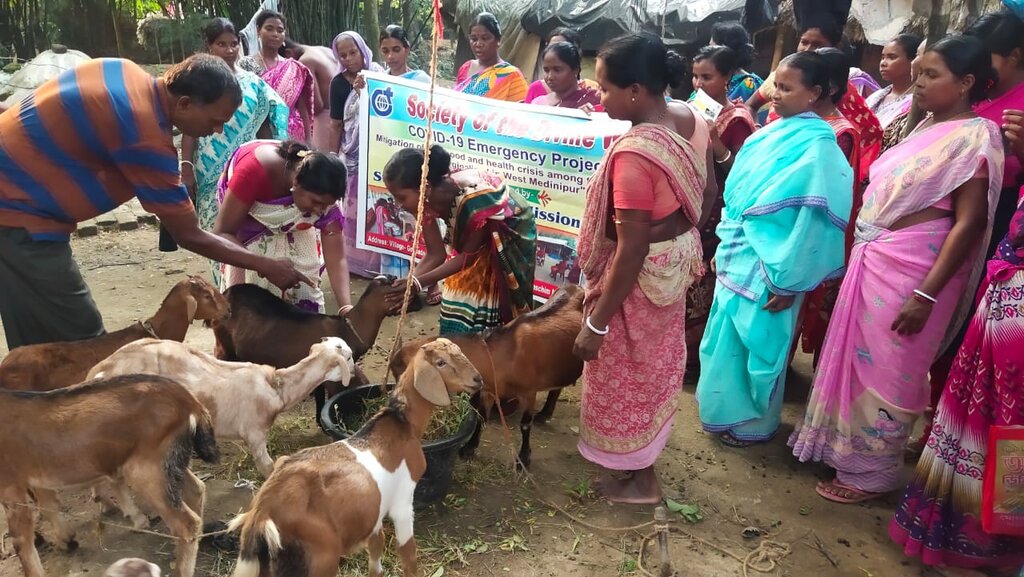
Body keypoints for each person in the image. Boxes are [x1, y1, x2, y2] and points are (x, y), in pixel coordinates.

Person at [789, 36, 1004, 503]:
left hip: (917, 267)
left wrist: (926, 294)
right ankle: (844, 451)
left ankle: (873, 472)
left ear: (966, 82)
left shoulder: (975, 137)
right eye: (920, 73)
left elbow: (969, 223)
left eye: (932, 75)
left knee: (893, 368)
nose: (920, 84)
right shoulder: (923, 125)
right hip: (878, 254)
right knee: (858, 359)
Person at [0, 55, 307, 350]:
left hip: (18, 200)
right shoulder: (143, 133)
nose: (218, 130)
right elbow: (189, 234)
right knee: (87, 341)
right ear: (184, 103)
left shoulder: (123, 70)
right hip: (19, 215)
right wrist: (265, 264)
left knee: (31, 334)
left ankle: (29, 397)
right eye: (215, 121)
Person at [570, 32, 707, 504]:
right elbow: (701, 202)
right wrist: (664, 229)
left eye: (605, 87)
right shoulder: (682, 125)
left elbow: (628, 250)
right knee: (651, 367)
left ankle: (641, 479)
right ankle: (638, 472)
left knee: (626, 371)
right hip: (667, 272)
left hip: (639, 280)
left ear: (635, 90)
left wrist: (596, 323)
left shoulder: (633, 154)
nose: (599, 96)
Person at [888, 111, 1024, 573]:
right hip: (1004, 305)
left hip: (1013, 313)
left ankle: (998, 540)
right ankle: (977, 536)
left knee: (1009, 429)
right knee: (985, 424)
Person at [696, 51, 854, 447]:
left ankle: (751, 423)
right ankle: (721, 412)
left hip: (775, 265)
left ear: (814, 92)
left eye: (787, 88)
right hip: (738, 251)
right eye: (775, 85)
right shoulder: (769, 132)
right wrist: (727, 242)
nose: (776, 95)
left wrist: (789, 280)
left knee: (760, 344)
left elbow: (813, 224)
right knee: (724, 338)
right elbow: (738, 199)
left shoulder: (822, 147)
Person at [914, 9, 1024, 456]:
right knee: (948, 336)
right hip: (939, 224)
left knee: (962, 333)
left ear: (1014, 56)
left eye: (989, 59)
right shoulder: (981, 95)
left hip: (992, 227)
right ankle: (939, 428)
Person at [180, 17, 289, 286]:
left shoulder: (254, 83)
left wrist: (275, 163)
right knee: (215, 231)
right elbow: (189, 128)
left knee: (243, 229)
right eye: (221, 44)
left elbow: (268, 122)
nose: (229, 50)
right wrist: (186, 168)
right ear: (209, 46)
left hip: (244, 168)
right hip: (207, 169)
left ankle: (245, 291)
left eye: (234, 43)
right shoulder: (200, 83)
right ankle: (224, 289)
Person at [382, 145, 536, 334]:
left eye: (400, 197)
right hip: (474, 242)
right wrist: (408, 283)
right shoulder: (424, 202)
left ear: (425, 188)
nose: (398, 205)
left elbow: (467, 258)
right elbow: (435, 254)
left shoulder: (472, 203)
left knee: (490, 305)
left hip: (511, 228)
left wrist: (417, 283)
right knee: (456, 298)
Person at [214, 140, 351, 313]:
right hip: (246, 223)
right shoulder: (252, 172)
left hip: (296, 223)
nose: (319, 210)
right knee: (248, 308)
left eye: (325, 205)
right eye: (316, 202)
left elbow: (336, 257)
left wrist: (346, 307)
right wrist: (265, 265)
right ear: (296, 183)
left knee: (304, 298)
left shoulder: (325, 194)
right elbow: (222, 233)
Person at [685, 44, 756, 375]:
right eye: (695, 76)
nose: (699, 85)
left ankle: (696, 362)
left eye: (707, 77)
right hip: (691, 206)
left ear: (728, 78)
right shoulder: (691, 110)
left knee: (704, 287)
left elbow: (744, 174)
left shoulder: (738, 120)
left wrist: (716, 143)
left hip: (718, 215)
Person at [745, 20, 883, 177]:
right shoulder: (797, 117)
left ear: (825, 90)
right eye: (804, 42)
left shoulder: (837, 135)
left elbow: (818, 183)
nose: (776, 95)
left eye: (787, 88)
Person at [796, 47, 863, 366]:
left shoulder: (840, 133)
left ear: (827, 88)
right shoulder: (799, 123)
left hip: (810, 231)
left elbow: (823, 195)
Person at [329, 30, 384, 277]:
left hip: (379, 152)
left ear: (363, 50)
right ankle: (357, 264)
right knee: (356, 206)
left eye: (353, 52)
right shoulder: (339, 84)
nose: (349, 59)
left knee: (380, 206)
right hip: (353, 156)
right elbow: (337, 124)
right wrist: (331, 158)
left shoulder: (380, 77)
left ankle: (379, 263)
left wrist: (367, 90)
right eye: (343, 55)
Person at [238, 10, 314, 142]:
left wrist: (308, 139)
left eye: (280, 30)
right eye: (269, 29)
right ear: (258, 31)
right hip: (259, 131)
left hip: (293, 134)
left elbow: (302, 107)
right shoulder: (246, 64)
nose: (275, 34)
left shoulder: (294, 68)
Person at [281, 38, 339, 151]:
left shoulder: (305, 61)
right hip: (341, 113)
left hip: (325, 119)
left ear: (288, 53)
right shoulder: (325, 50)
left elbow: (317, 106)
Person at [455, 12, 528, 102]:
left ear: (498, 40)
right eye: (474, 39)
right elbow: (456, 103)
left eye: (485, 38)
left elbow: (521, 111)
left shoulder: (512, 75)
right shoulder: (466, 68)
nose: (478, 44)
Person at [524, 27, 600, 104]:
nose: (550, 77)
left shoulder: (592, 98)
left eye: (557, 70)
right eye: (546, 70)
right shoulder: (538, 103)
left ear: (575, 70)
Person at [866, 34, 921, 130]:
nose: (883, 63)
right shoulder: (875, 97)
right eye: (882, 57)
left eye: (892, 57)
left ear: (912, 61)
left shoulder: (917, 103)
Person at [708, 21, 763, 102]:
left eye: (711, 48)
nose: (707, 53)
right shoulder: (708, 80)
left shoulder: (749, 85)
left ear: (723, 51)